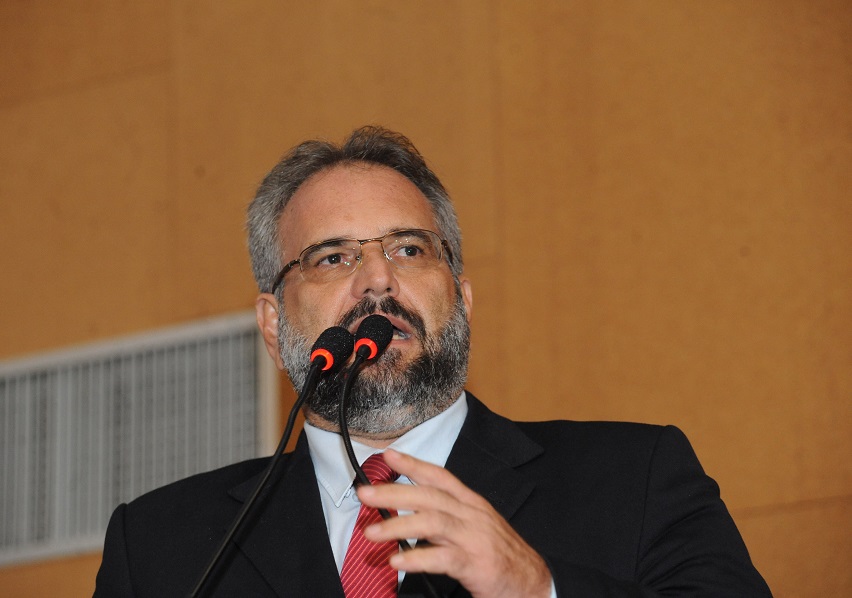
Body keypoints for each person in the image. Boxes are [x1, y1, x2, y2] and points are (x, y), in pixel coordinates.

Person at [94, 126, 771, 597]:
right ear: (273, 325)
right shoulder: (160, 547)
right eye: (333, 257)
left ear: (463, 300)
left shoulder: (634, 478)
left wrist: (538, 590)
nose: (377, 280)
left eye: (409, 249)